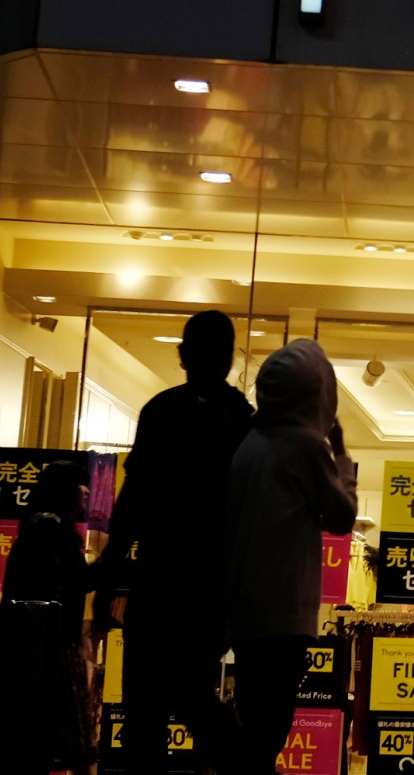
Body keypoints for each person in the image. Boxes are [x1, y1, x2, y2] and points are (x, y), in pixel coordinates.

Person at [95, 309, 254, 775]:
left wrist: (110, 573)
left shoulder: (161, 411)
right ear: (229, 359)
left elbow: (134, 499)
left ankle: (246, 764)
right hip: (213, 587)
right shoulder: (245, 422)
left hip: (158, 578)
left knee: (144, 705)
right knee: (193, 692)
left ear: (183, 354)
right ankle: (245, 763)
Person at [223, 339, 359, 775]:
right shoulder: (305, 445)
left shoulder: (250, 442)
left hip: (243, 606)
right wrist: (342, 456)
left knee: (253, 714)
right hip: (285, 608)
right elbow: (341, 516)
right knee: (271, 724)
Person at [0, 491, 99, 775]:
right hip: (48, 650)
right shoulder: (50, 531)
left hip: (29, 651)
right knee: (76, 746)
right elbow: (72, 581)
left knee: (27, 743)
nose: (86, 496)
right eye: (79, 490)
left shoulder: (36, 529)